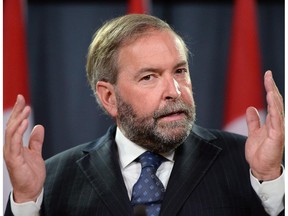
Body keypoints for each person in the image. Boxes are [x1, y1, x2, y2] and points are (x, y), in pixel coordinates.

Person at [4, 14, 284, 216]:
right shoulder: (53, 180)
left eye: (180, 71)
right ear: (109, 97)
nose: (174, 91)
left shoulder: (246, 163)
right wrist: (27, 201)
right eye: (149, 77)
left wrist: (270, 178)